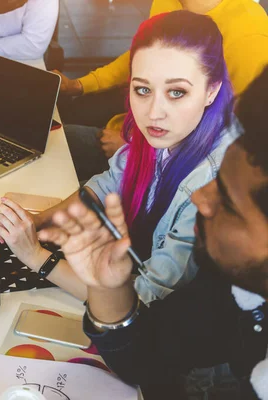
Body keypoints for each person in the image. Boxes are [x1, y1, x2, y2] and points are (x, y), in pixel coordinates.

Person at [38, 66, 268, 399]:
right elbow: (143, 359)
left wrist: (40, 259)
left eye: (230, 204)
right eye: (142, 88)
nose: (200, 198)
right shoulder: (229, 290)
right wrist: (107, 289)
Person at [0, 11, 236, 304]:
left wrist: (36, 256)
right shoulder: (168, 131)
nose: (153, 112)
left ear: (211, 91)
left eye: (176, 92)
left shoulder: (216, 183)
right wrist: (41, 222)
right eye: (143, 89)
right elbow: (109, 181)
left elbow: (145, 297)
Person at [56, 0, 268, 182]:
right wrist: (80, 85)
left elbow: (238, 140)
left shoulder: (249, 35)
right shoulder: (168, 3)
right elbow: (143, 54)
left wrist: (144, 153)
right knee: (45, 143)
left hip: (169, 174)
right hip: (129, 138)